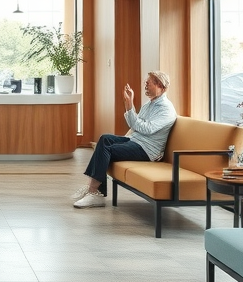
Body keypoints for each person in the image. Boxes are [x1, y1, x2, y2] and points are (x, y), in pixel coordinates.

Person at [72, 70, 177, 208]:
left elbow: (147, 129)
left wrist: (130, 106)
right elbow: (135, 125)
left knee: (107, 149)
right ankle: (93, 190)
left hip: (147, 150)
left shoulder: (166, 109)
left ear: (161, 86)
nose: (145, 85)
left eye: (148, 83)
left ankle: (94, 192)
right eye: (145, 82)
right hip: (136, 141)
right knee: (104, 139)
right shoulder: (150, 104)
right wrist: (129, 105)